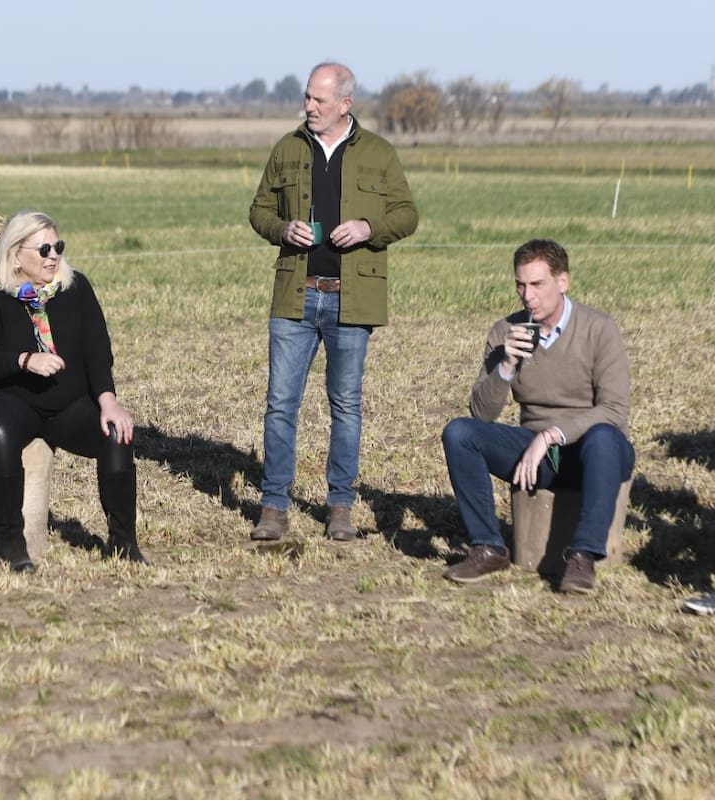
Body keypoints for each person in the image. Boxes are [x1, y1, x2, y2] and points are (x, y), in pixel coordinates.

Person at [248, 62, 418, 543]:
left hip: (351, 302)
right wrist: (282, 229)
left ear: (345, 104)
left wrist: (369, 228)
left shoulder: (379, 153)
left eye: (319, 100)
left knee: (346, 407)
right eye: (307, 97)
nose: (309, 107)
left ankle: (339, 506)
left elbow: (407, 214)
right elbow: (258, 210)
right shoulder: (286, 148)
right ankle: (274, 507)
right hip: (295, 299)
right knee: (280, 404)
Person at [441, 239, 635, 594]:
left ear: (563, 282)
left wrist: (552, 434)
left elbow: (614, 411)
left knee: (604, 437)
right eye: (520, 284)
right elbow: (482, 413)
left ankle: (582, 557)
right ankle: (488, 546)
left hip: (595, 450)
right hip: (536, 452)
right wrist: (507, 366)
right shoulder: (505, 331)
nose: (527, 296)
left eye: (537, 284)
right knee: (459, 433)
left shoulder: (599, 328)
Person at [0, 211, 147, 572]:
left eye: (57, 246)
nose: (53, 255)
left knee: (117, 434)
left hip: (65, 405)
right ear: (16, 254)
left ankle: (124, 543)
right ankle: (12, 544)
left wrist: (108, 400)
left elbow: (96, 350)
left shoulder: (76, 289)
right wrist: (25, 360)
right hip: (6, 400)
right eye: (43, 249)